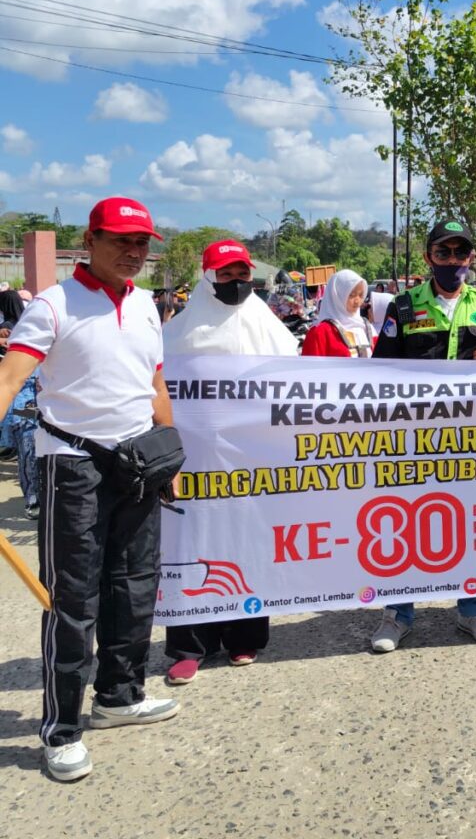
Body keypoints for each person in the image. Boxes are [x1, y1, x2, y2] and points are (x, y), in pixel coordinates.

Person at [0, 196, 180, 783]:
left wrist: (168, 448)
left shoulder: (149, 307)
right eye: (121, 240)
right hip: (72, 466)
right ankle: (62, 729)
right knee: (73, 602)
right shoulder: (53, 306)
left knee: (133, 586)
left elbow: (152, 381)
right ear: (91, 238)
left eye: (142, 243)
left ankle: (119, 697)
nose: (134, 252)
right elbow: (10, 378)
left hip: (137, 466)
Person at [162, 240, 297, 685]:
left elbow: (293, 382)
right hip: (194, 461)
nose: (236, 283)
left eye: (242, 275)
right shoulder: (179, 331)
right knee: (191, 543)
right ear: (207, 277)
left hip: (249, 462)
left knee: (245, 542)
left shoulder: (268, 325)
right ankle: (189, 646)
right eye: (225, 275)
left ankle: (244, 636)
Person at [369, 219, 476, 652]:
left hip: (468, 436)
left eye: (459, 253)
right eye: (442, 253)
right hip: (412, 436)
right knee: (404, 522)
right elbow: (378, 372)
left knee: (469, 518)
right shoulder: (403, 306)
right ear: (428, 257)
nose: (451, 261)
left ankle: (473, 610)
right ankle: (398, 613)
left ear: (471, 258)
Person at [0, 312, 40, 519]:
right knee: (28, 451)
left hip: (49, 409)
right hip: (25, 408)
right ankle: (32, 497)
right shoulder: (13, 355)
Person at [301, 269, 376, 357]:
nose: (357, 301)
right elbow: (310, 368)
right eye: (351, 295)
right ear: (337, 295)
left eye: (360, 295)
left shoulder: (367, 328)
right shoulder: (320, 332)